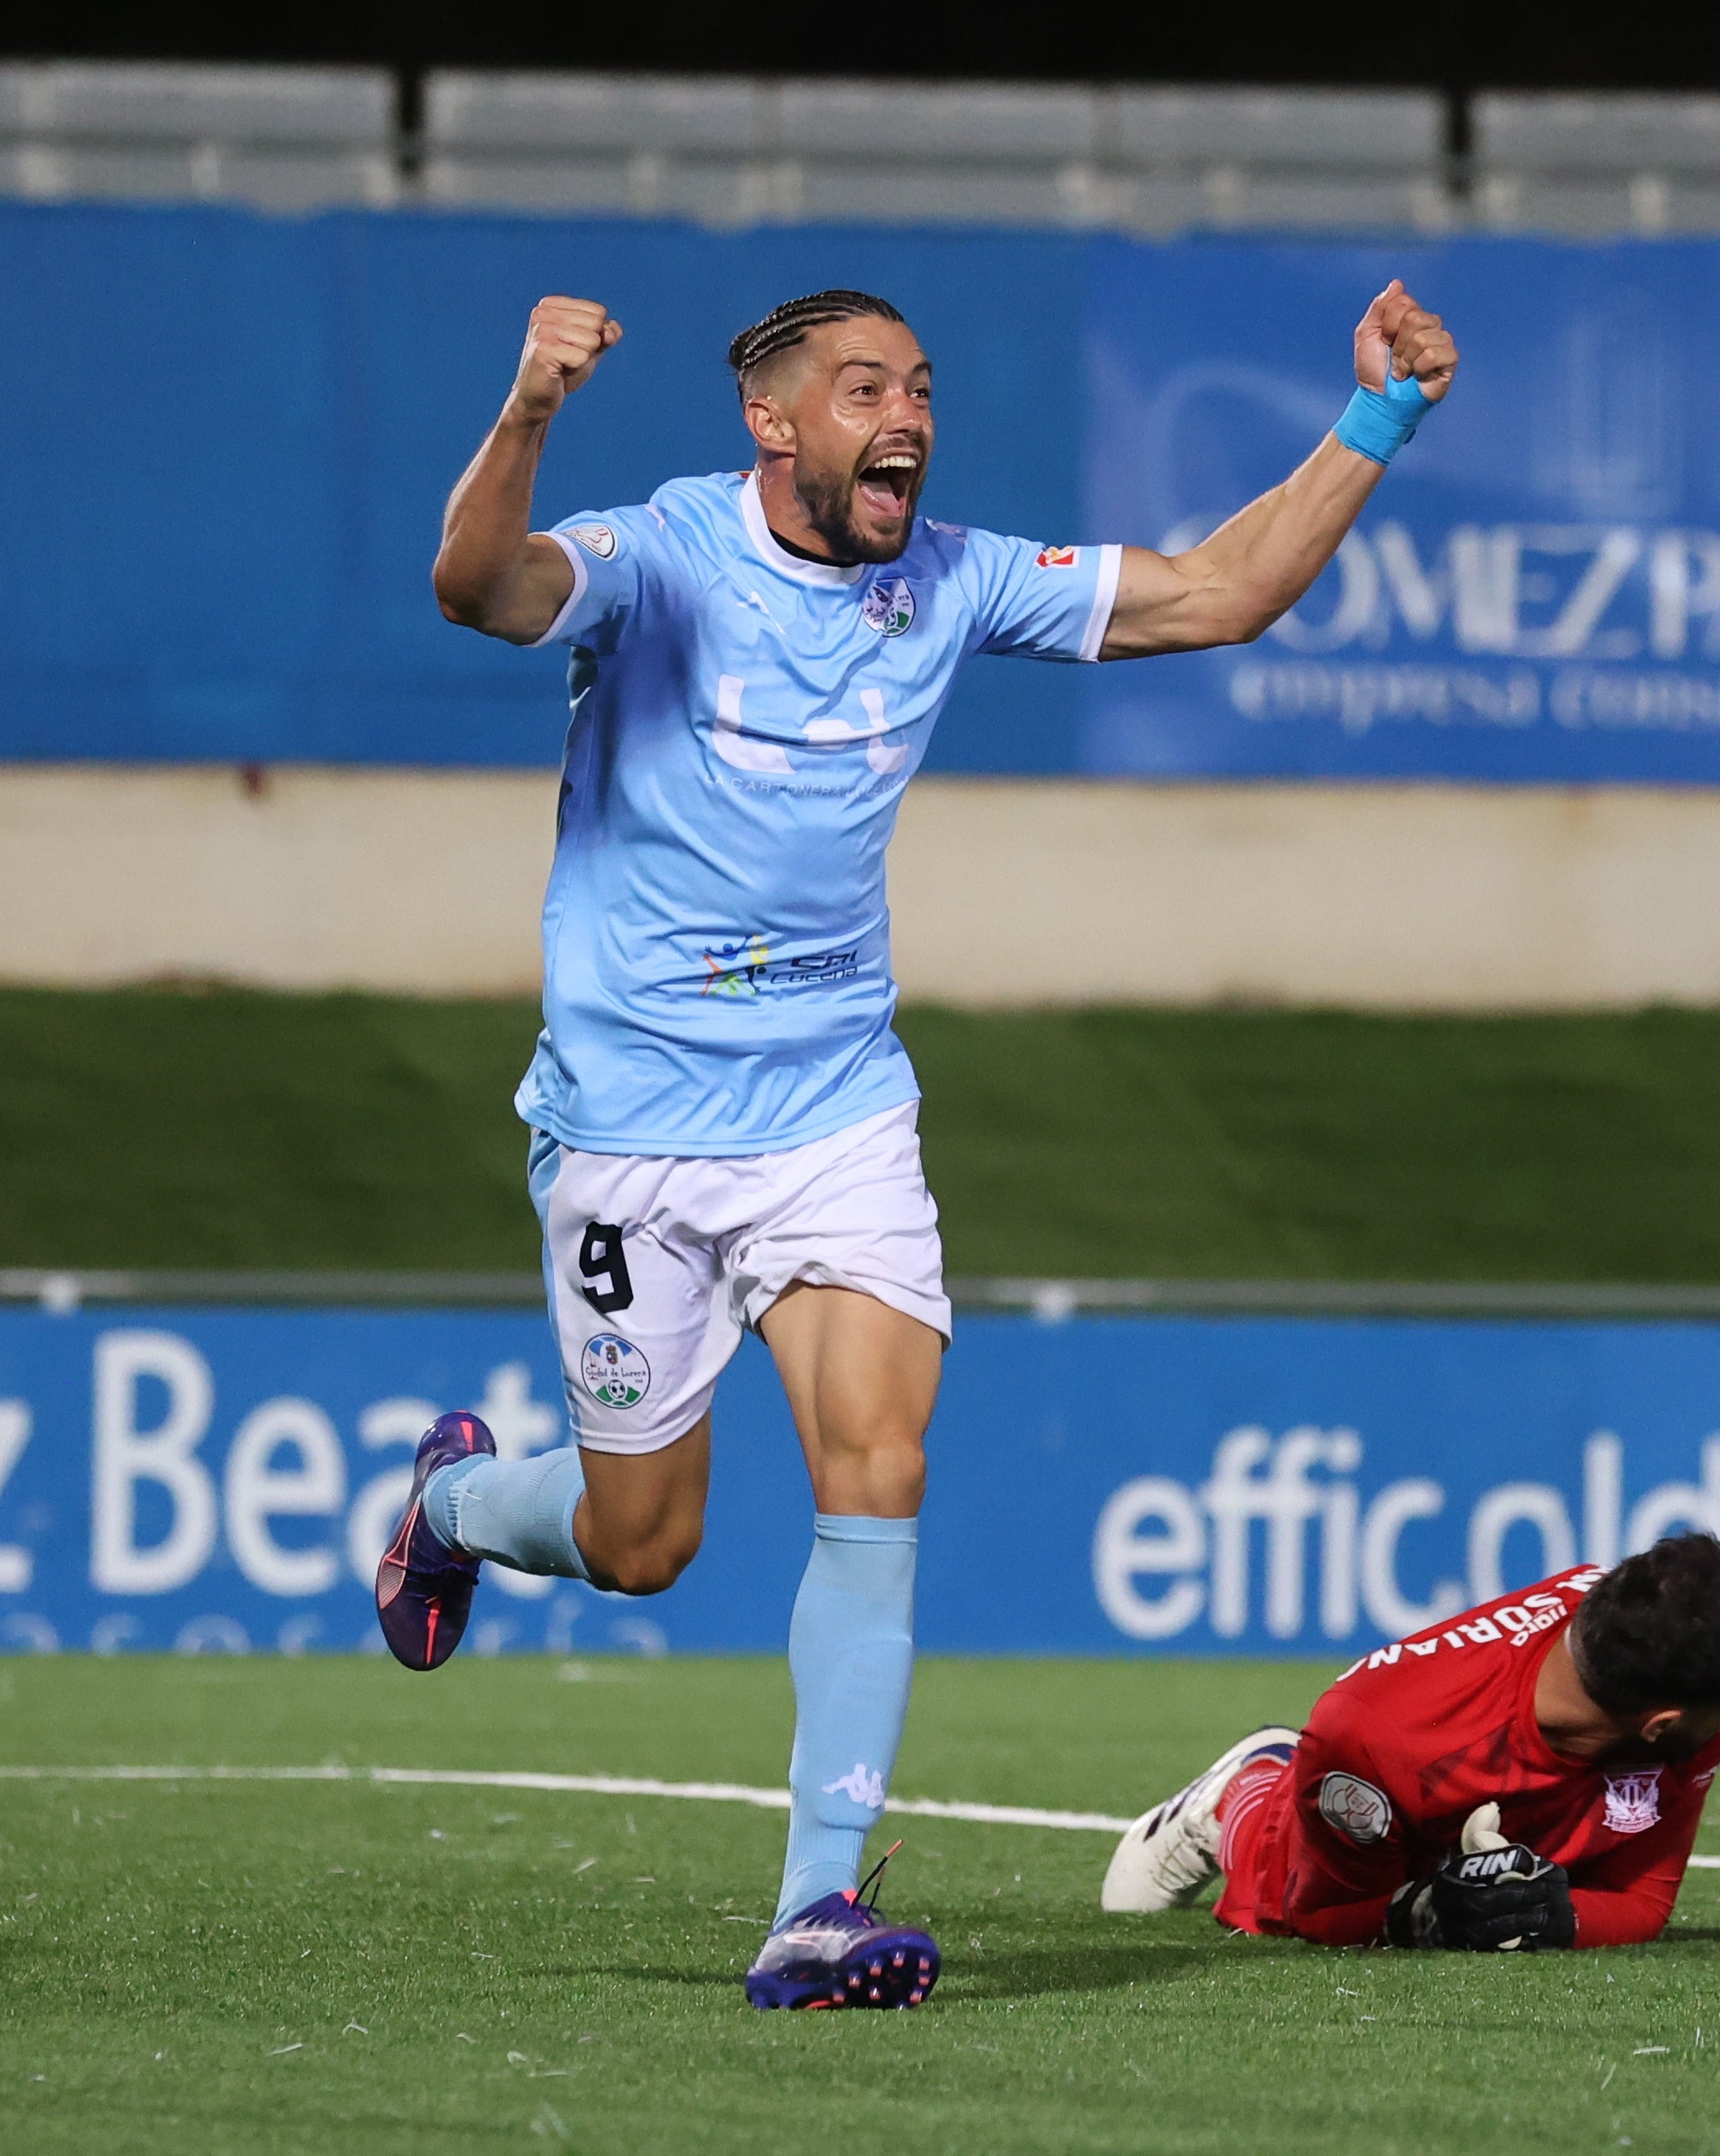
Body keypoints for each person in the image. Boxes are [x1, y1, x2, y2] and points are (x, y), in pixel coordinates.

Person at [380, 279, 1462, 2010]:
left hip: (833, 1115)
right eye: (868, 386)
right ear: (775, 419)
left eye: (925, 387)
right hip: (631, 1133)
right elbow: (475, 586)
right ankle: (449, 1503)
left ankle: (820, 1902)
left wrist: (1380, 417)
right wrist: (524, 411)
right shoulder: (662, 558)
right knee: (643, 1540)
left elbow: (1225, 589)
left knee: (877, 1471)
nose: (909, 416)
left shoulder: (948, 576)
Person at [1102, 1534, 1720, 1951]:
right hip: (1333, 1822)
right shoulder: (1373, 1738)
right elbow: (1318, 1915)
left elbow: (1639, 1896)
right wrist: (1425, 1915)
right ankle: (1248, 1787)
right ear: (1661, 1725)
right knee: (1252, 1894)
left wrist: (1557, 1915)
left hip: (1511, 1780)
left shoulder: (1660, 1650)